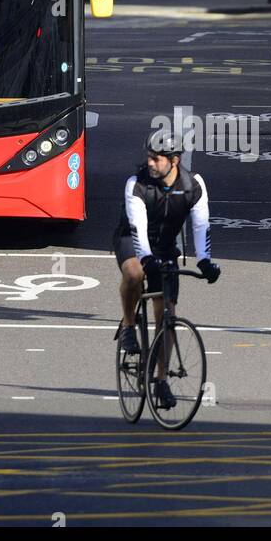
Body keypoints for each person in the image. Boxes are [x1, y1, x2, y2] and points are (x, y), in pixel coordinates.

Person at [113, 131, 221, 410]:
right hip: (132, 241)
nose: (149, 163)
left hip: (165, 248)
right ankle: (128, 325)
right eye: (148, 157)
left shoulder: (193, 185)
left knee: (167, 316)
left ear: (174, 160)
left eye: (156, 158)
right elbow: (136, 226)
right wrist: (146, 258)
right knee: (135, 273)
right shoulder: (136, 184)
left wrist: (205, 261)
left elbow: (201, 225)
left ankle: (161, 380)